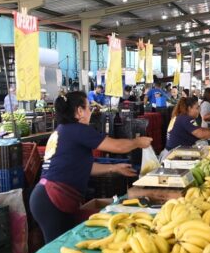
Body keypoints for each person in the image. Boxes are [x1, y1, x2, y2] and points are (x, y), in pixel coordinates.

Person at [31, 92, 151, 243]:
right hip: (52, 200)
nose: (90, 112)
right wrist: (137, 142)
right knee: (58, 247)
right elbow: (117, 146)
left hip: (45, 197)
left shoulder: (63, 130)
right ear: (79, 111)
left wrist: (114, 168)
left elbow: (84, 166)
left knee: (64, 244)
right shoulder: (77, 129)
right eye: (88, 108)